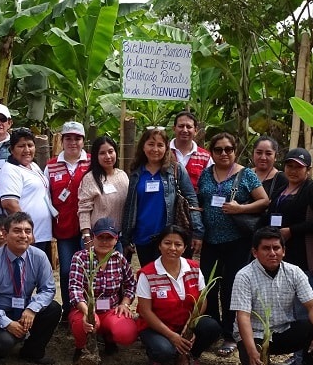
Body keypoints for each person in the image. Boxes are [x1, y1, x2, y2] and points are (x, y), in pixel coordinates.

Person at [231, 227, 313, 365]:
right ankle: (256, 363)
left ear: (284, 250)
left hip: (282, 331)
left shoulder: (294, 272)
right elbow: (242, 316)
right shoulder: (244, 276)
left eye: (276, 248)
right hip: (254, 336)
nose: (272, 253)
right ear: (255, 252)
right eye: (266, 248)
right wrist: (252, 351)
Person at [196, 132, 269, 356]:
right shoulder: (206, 175)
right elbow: (201, 201)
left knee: (231, 287)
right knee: (208, 286)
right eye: (218, 150)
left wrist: (241, 209)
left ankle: (229, 335)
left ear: (235, 151)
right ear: (212, 152)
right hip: (210, 240)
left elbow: (264, 200)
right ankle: (213, 329)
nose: (224, 153)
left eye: (228, 149)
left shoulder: (246, 174)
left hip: (237, 240)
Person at [263, 147, 313, 365]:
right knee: (291, 311)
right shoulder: (282, 189)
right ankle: (295, 359)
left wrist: (292, 231)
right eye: (290, 166)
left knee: (304, 312)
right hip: (284, 261)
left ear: (308, 169)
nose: (293, 170)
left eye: (299, 167)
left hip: (306, 260)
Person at [135, 226, 221, 365]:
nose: (172, 248)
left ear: (185, 247)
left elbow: (202, 301)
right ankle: (161, 355)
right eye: (167, 243)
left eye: (178, 244)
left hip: (185, 323)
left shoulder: (193, 268)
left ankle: (189, 355)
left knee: (211, 327)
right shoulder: (147, 273)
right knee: (164, 351)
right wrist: (171, 336)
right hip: (157, 326)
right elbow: (145, 311)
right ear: (159, 245)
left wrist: (190, 327)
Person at [0, 212, 61, 365]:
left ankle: (32, 351)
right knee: (4, 343)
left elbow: (48, 289)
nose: (23, 235)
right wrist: (7, 323)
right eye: (17, 231)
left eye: (27, 231)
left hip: (25, 310)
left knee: (53, 309)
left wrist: (32, 309)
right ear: (5, 234)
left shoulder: (39, 257)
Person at [122, 128, 204, 267]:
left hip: (168, 238)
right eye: (151, 144)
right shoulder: (136, 173)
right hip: (143, 236)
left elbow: (191, 200)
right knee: (151, 279)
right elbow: (130, 206)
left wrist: (198, 232)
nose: (155, 149)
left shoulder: (176, 170)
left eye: (160, 145)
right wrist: (126, 238)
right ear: (143, 146)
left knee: (168, 279)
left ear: (166, 148)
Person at [68, 218, 138, 360]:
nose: (105, 242)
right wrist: (87, 312)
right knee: (87, 323)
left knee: (127, 332)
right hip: (85, 308)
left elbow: (131, 284)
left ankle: (109, 338)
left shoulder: (119, 259)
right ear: (93, 237)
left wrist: (125, 303)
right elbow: (74, 288)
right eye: (100, 237)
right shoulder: (81, 257)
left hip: (110, 309)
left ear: (116, 239)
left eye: (109, 238)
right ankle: (82, 347)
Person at [47, 121, 92, 317]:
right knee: (66, 271)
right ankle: (69, 310)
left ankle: (89, 310)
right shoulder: (51, 165)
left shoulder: (92, 162)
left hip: (88, 228)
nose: (73, 142)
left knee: (88, 271)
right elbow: (45, 196)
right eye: (68, 138)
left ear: (83, 141)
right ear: (62, 140)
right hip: (64, 228)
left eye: (77, 138)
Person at [0, 128, 55, 255]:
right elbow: (10, 204)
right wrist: (27, 232)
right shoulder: (10, 171)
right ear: (11, 150)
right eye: (21, 146)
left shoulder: (33, 166)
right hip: (26, 238)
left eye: (30, 145)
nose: (27, 150)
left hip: (42, 233)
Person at [78, 135, 129, 249]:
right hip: (97, 239)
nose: (108, 156)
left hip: (117, 238)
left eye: (111, 151)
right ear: (96, 156)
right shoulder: (90, 178)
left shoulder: (123, 176)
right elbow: (84, 210)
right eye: (102, 153)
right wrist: (87, 237)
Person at [170, 111, 213, 191]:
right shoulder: (163, 152)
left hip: (195, 202)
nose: (185, 130)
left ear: (195, 130)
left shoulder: (205, 157)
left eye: (189, 127)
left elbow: (212, 183)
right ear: (174, 128)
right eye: (181, 126)